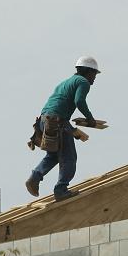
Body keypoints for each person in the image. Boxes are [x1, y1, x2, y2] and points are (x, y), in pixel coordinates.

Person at [25, 56, 99, 201]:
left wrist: (73, 131)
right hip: (56, 121)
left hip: (44, 120)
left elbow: (58, 109)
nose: (94, 78)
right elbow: (79, 101)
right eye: (94, 74)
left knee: (53, 155)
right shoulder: (83, 82)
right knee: (69, 158)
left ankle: (35, 177)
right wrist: (90, 118)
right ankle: (61, 190)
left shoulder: (66, 82)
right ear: (88, 71)